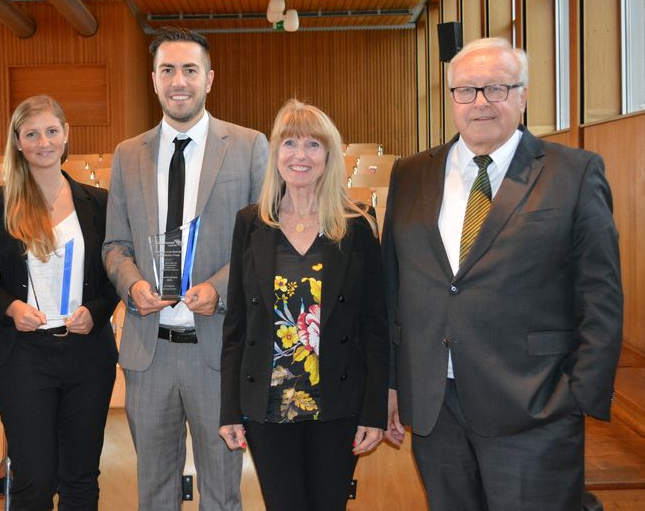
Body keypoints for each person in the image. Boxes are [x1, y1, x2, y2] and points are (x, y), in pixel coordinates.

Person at [382, 37, 623, 511]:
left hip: (534, 405)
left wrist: (577, 394)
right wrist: (392, 384)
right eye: (466, 90)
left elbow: (601, 295)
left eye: (496, 88)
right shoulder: (411, 174)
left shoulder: (572, 172)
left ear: (522, 95)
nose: (480, 103)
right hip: (435, 405)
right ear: (450, 98)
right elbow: (394, 288)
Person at [103, 26, 269, 510]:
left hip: (216, 350)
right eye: (168, 70)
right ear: (153, 80)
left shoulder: (247, 145)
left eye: (190, 70)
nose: (179, 80)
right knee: (154, 492)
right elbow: (114, 244)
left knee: (221, 491)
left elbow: (260, 241)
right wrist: (131, 283)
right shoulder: (127, 154)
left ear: (209, 79)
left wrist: (219, 288)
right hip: (148, 349)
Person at [219, 99, 388, 510]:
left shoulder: (357, 223)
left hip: (337, 403)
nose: (300, 155)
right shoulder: (251, 223)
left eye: (313, 145)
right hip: (268, 405)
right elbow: (237, 325)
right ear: (276, 153)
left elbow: (374, 325)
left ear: (329, 155)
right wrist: (229, 410)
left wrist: (374, 411)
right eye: (290, 143)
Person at [0, 95, 118, 510]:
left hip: (86, 355)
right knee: (33, 480)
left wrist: (96, 311)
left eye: (51, 131)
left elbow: (114, 278)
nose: (43, 142)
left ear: (66, 134)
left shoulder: (98, 202)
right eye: (32, 134)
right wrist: (10, 308)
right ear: (18, 142)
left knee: (80, 479)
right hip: (23, 357)